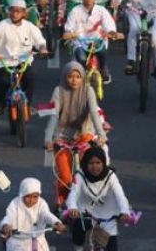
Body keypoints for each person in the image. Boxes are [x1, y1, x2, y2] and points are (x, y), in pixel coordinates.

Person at [45, 62, 108, 206]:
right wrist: (48, 139)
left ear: (83, 78)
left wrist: (101, 135)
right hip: (62, 138)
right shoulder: (58, 91)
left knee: (89, 172)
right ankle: (62, 199)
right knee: (65, 178)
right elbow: (53, 116)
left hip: (84, 135)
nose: (74, 80)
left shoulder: (88, 91)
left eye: (78, 77)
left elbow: (93, 113)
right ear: (64, 78)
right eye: (70, 76)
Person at [0, 0, 46, 115]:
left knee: (30, 79)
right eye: (12, 11)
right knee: (2, 82)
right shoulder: (2, 25)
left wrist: (43, 49)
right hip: (4, 62)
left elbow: (40, 42)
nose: (15, 14)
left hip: (23, 62)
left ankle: (28, 105)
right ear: (8, 12)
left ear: (24, 13)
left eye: (18, 11)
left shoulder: (30, 27)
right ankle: (1, 104)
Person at [63, 146, 131, 251]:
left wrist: (124, 211)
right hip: (85, 211)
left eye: (98, 163)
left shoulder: (110, 176)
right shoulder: (80, 175)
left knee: (112, 247)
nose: (95, 167)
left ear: (103, 163)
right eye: (91, 163)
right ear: (86, 164)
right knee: (78, 229)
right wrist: (72, 207)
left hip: (107, 214)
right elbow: (73, 193)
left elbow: (120, 195)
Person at [0, 177, 63, 251]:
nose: (31, 200)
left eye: (35, 197)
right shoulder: (15, 203)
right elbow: (9, 217)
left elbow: (46, 215)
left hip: (39, 239)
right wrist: (5, 225)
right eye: (28, 196)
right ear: (22, 194)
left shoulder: (41, 203)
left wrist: (56, 222)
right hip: (18, 241)